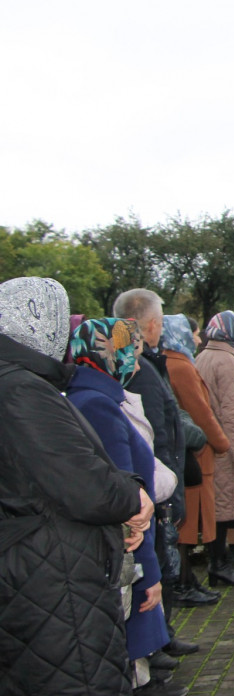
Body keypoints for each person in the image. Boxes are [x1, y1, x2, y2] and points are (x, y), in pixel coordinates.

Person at [0, 278, 152, 696]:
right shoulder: (22, 390)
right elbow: (84, 486)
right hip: (52, 583)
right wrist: (132, 495)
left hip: (37, 574)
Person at [66, 318, 176, 692]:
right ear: (110, 353)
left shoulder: (90, 396)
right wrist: (149, 574)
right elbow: (128, 500)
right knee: (131, 656)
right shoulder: (99, 405)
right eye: (130, 348)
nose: (136, 357)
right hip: (128, 550)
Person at [113, 288, 201, 659]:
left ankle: (161, 638)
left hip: (158, 482)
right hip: (154, 487)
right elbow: (155, 438)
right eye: (161, 321)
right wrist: (170, 490)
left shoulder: (147, 364)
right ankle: (155, 644)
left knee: (159, 564)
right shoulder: (143, 371)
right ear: (151, 324)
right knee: (154, 567)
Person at [160, 314, 234, 591]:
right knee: (188, 523)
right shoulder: (180, 366)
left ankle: (187, 580)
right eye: (192, 333)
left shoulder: (178, 363)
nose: (197, 339)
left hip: (190, 451)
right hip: (195, 454)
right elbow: (200, 413)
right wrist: (222, 442)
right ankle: (184, 583)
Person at [194, 311, 234, 584]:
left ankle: (218, 560)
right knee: (223, 508)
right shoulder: (228, 362)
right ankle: (219, 564)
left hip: (209, 443)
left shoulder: (202, 357)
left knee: (215, 507)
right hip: (225, 447)